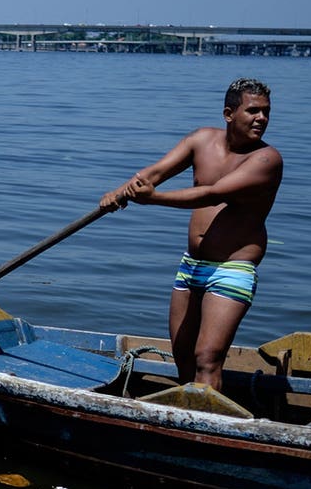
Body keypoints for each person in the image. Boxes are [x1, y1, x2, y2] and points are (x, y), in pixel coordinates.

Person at [99, 78, 283, 393]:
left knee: (207, 359)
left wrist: (152, 198)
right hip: (191, 266)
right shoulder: (202, 140)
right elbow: (154, 173)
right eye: (253, 111)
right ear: (229, 113)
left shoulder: (266, 160)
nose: (262, 119)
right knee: (183, 357)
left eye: (266, 112)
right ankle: (188, 422)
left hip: (231, 270)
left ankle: (209, 430)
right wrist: (121, 192)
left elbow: (210, 194)